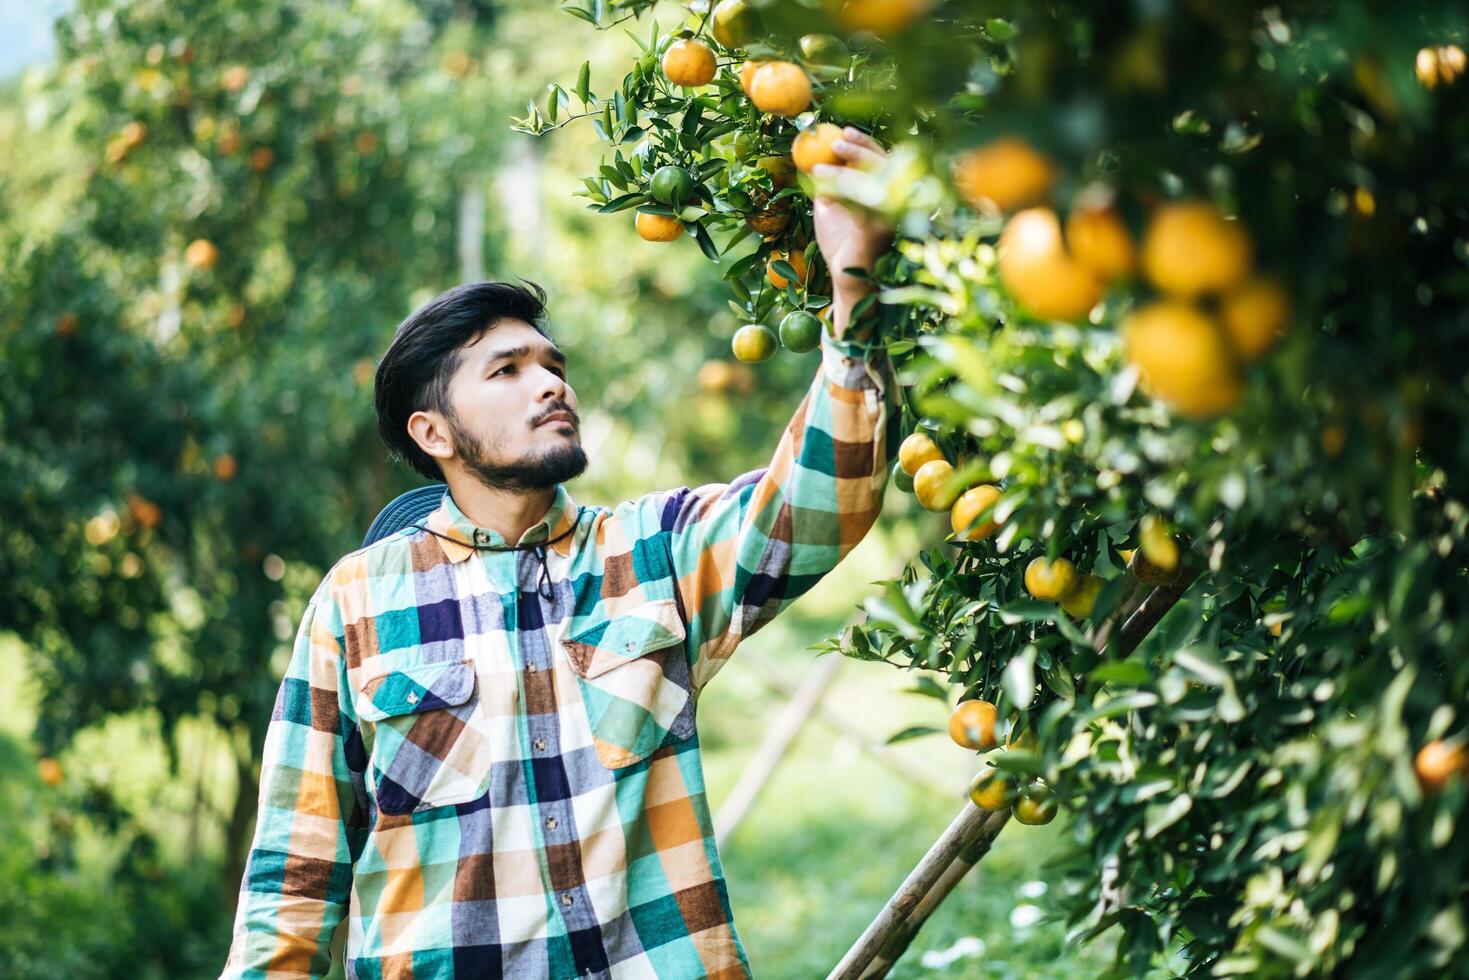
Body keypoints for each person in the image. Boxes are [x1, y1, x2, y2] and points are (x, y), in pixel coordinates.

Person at [221, 128, 899, 979]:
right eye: (506, 372)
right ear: (433, 432)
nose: (551, 383)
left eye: (553, 365)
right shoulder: (355, 605)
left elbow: (817, 504)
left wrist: (851, 280)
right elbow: (296, 874)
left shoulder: (653, 552)